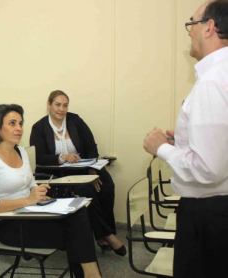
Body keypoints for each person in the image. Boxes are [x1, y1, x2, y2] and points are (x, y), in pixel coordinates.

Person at [143, 1, 228, 277]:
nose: (188, 32)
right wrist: (183, 139)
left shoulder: (211, 82)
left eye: (192, 24)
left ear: (209, 28)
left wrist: (163, 149)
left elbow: (208, 168)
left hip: (209, 215)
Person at [0, 104, 101, 278]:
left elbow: (30, 183)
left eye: (20, 123)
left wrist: (38, 191)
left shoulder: (20, 151)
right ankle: (91, 274)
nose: (19, 128)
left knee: (77, 213)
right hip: (10, 225)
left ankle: (89, 274)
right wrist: (28, 200)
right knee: (75, 231)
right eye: (12, 123)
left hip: (31, 213)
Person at [30, 90, 125, 255]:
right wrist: (62, 157)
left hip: (84, 167)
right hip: (59, 173)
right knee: (85, 190)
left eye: (65, 105)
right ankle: (106, 235)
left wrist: (92, 172)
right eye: (57, 105)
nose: (61, 109)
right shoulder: (39, 127)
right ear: (49, 105)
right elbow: (38, 157)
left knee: (107, 185)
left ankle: (105, 234)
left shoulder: (75, 120)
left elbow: (91, 147)